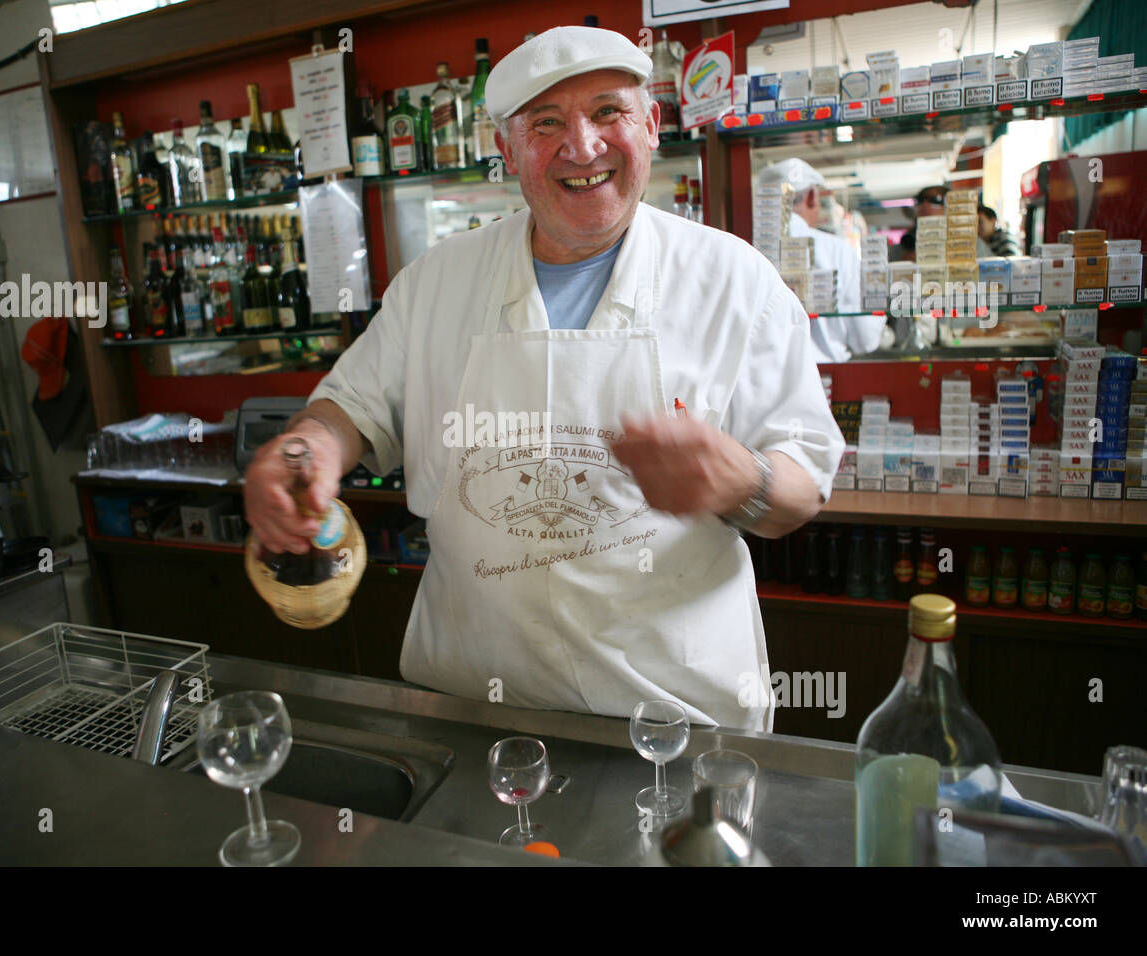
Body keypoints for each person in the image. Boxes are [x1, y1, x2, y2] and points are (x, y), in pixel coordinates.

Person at [244, 26, 844, 730]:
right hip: (472, 707)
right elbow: (346, 410)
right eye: (546, 123)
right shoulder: (436, 282)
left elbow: (803, 483)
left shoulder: (736, 281)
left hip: (673, 717)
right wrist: (304, 451)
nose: (582, 147)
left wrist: (745, 480)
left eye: (608, 113)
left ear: (651, 126)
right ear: (506, 149)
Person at [758, 158, 884, 363]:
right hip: (826, 377)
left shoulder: (749, 249)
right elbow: (866, 339)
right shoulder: (839, 251)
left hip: (763, 382)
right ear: (810, 197)